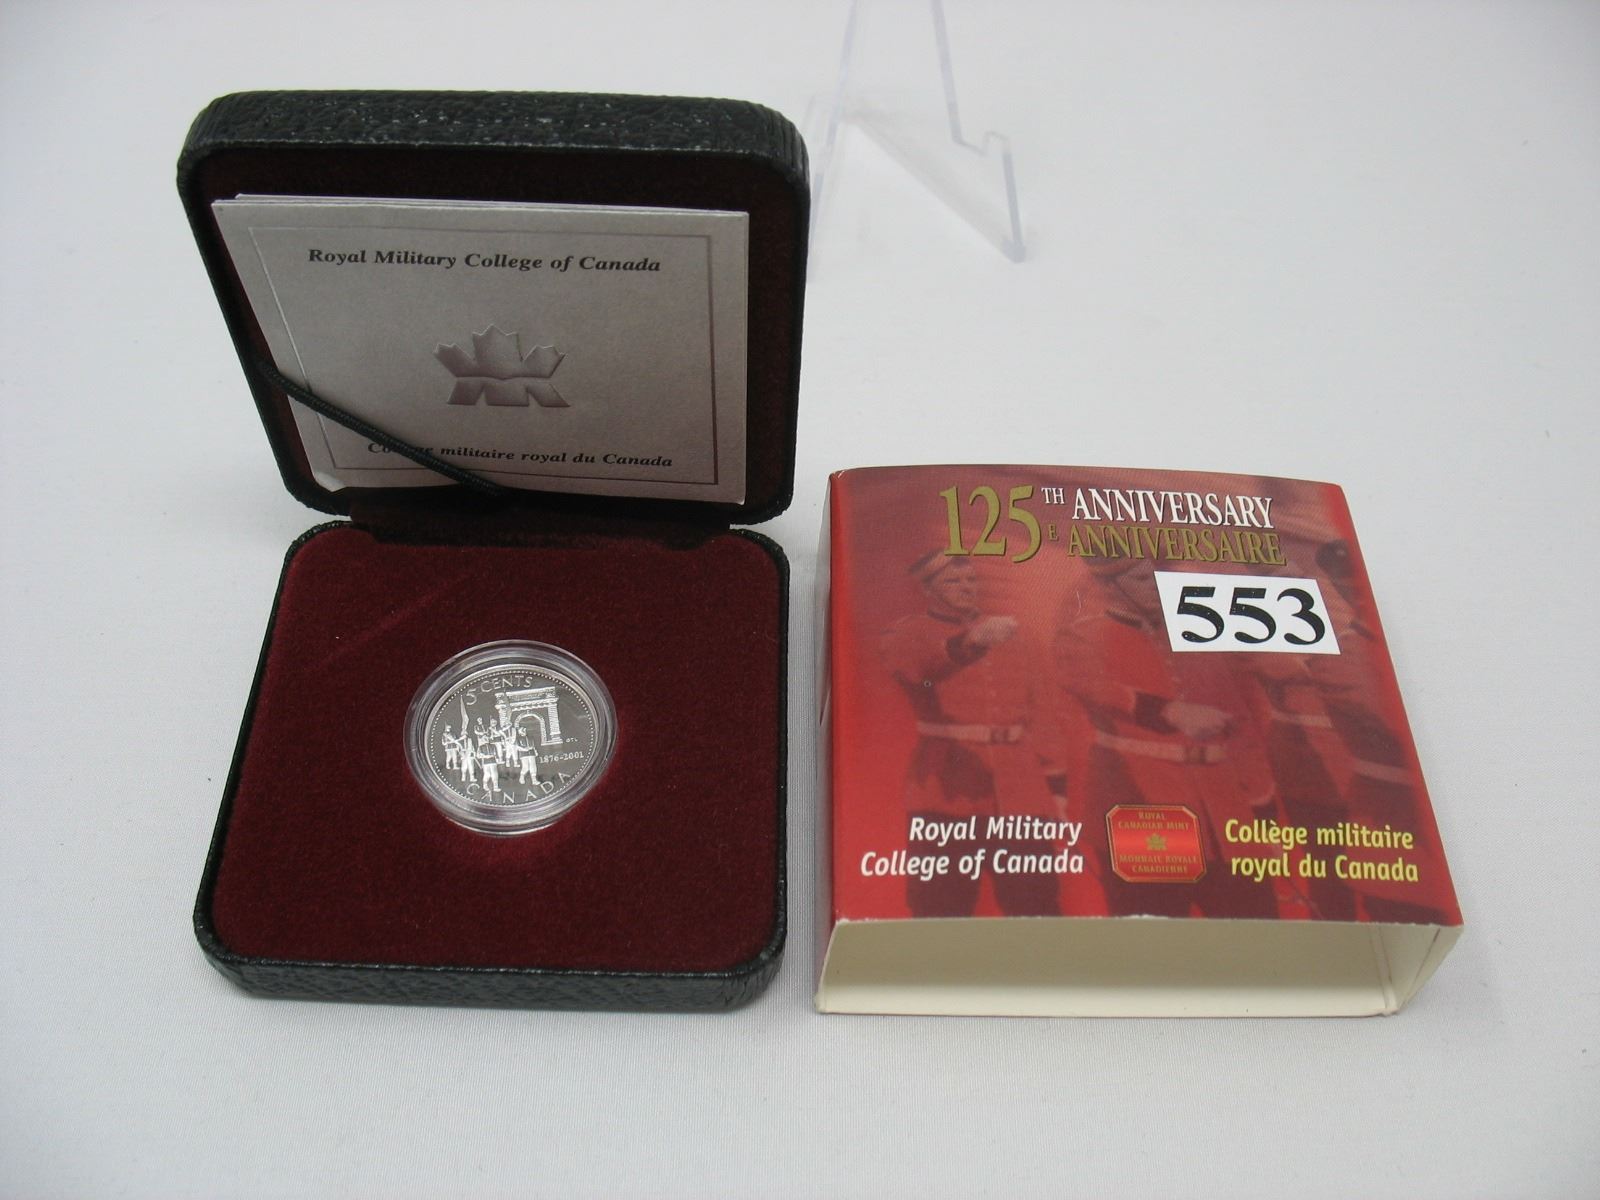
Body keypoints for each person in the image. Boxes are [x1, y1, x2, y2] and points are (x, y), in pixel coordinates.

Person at [880, 551, 1071, 917]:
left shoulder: (1015, 634)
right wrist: (971, 642)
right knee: (940, 907)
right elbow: (918, 667)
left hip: (1021, 790)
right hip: (945, 789)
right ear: (929, 589)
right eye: (953, 581)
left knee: (1036, 903)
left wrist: (1056, 789)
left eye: (971, 580)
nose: (966, 588)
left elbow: (1042, 716)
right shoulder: (907, 634)